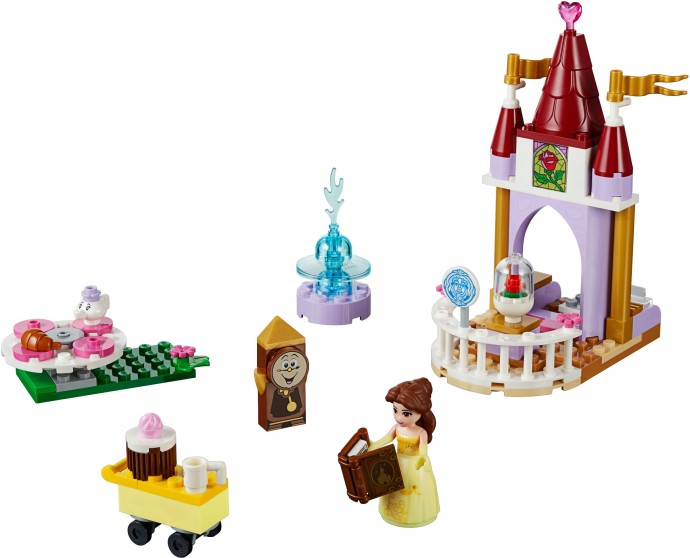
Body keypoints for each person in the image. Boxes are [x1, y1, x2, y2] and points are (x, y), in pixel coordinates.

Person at [368, 377, 440, 527]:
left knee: (413, 493)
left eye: (406, 413)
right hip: (396, 463)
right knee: (392, 487)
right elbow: (385, 439)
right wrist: (373, 445)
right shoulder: (396, 428)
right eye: (395, 411)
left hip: (415, 467)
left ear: (421, 412)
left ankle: (415, 517)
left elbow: (423, 452)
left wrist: (424, 459)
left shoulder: (421, 432)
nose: (399, 417)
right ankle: (391, 514)